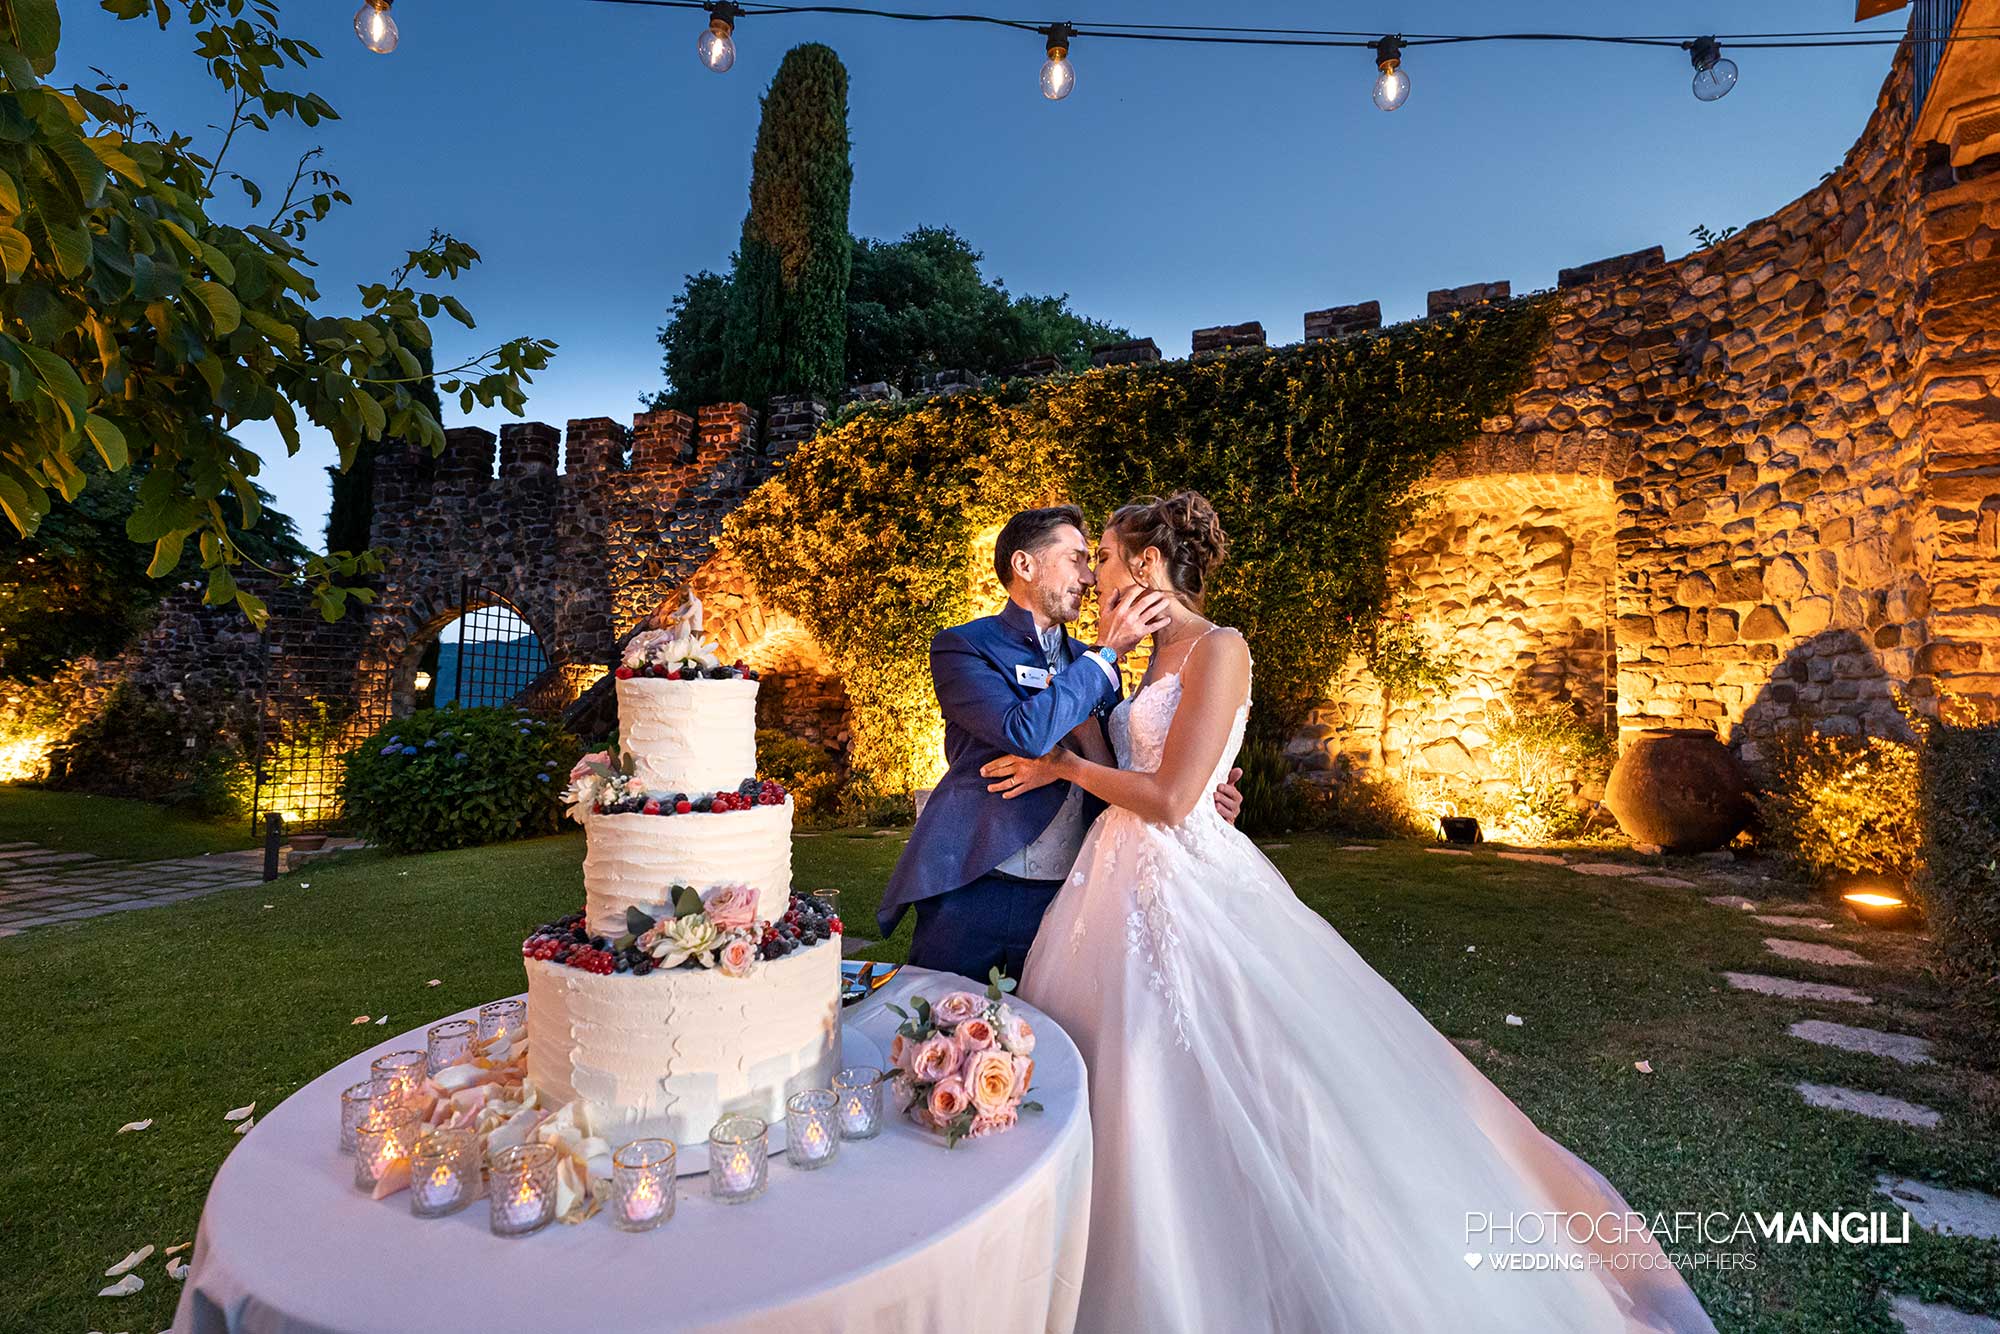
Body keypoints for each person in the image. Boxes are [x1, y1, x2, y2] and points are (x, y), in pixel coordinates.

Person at [981, 492, 1717, 1334]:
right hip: (1117, 880)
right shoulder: (1144, 656)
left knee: (1237, 1066)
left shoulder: (1219, 648)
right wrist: (1114, 748)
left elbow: (1176, 795)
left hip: (1183, 881)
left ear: (1145, 565)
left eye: (1105, 558)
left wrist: (1072, 776)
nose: (1097, 574)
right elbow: (1150, 763)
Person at [877, 503, 1242, 981]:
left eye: (1095, 560)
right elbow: (1022, 732)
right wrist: (1106, 655)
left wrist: (1200, 794)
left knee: (1045, 1040)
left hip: (1070, 891)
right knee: (944, 1028)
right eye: (1077, 559)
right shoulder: (964, 646)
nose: (1090, 578)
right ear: (1025, 565)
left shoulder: (1099, 664)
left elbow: (1124, 763)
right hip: (974, 884)